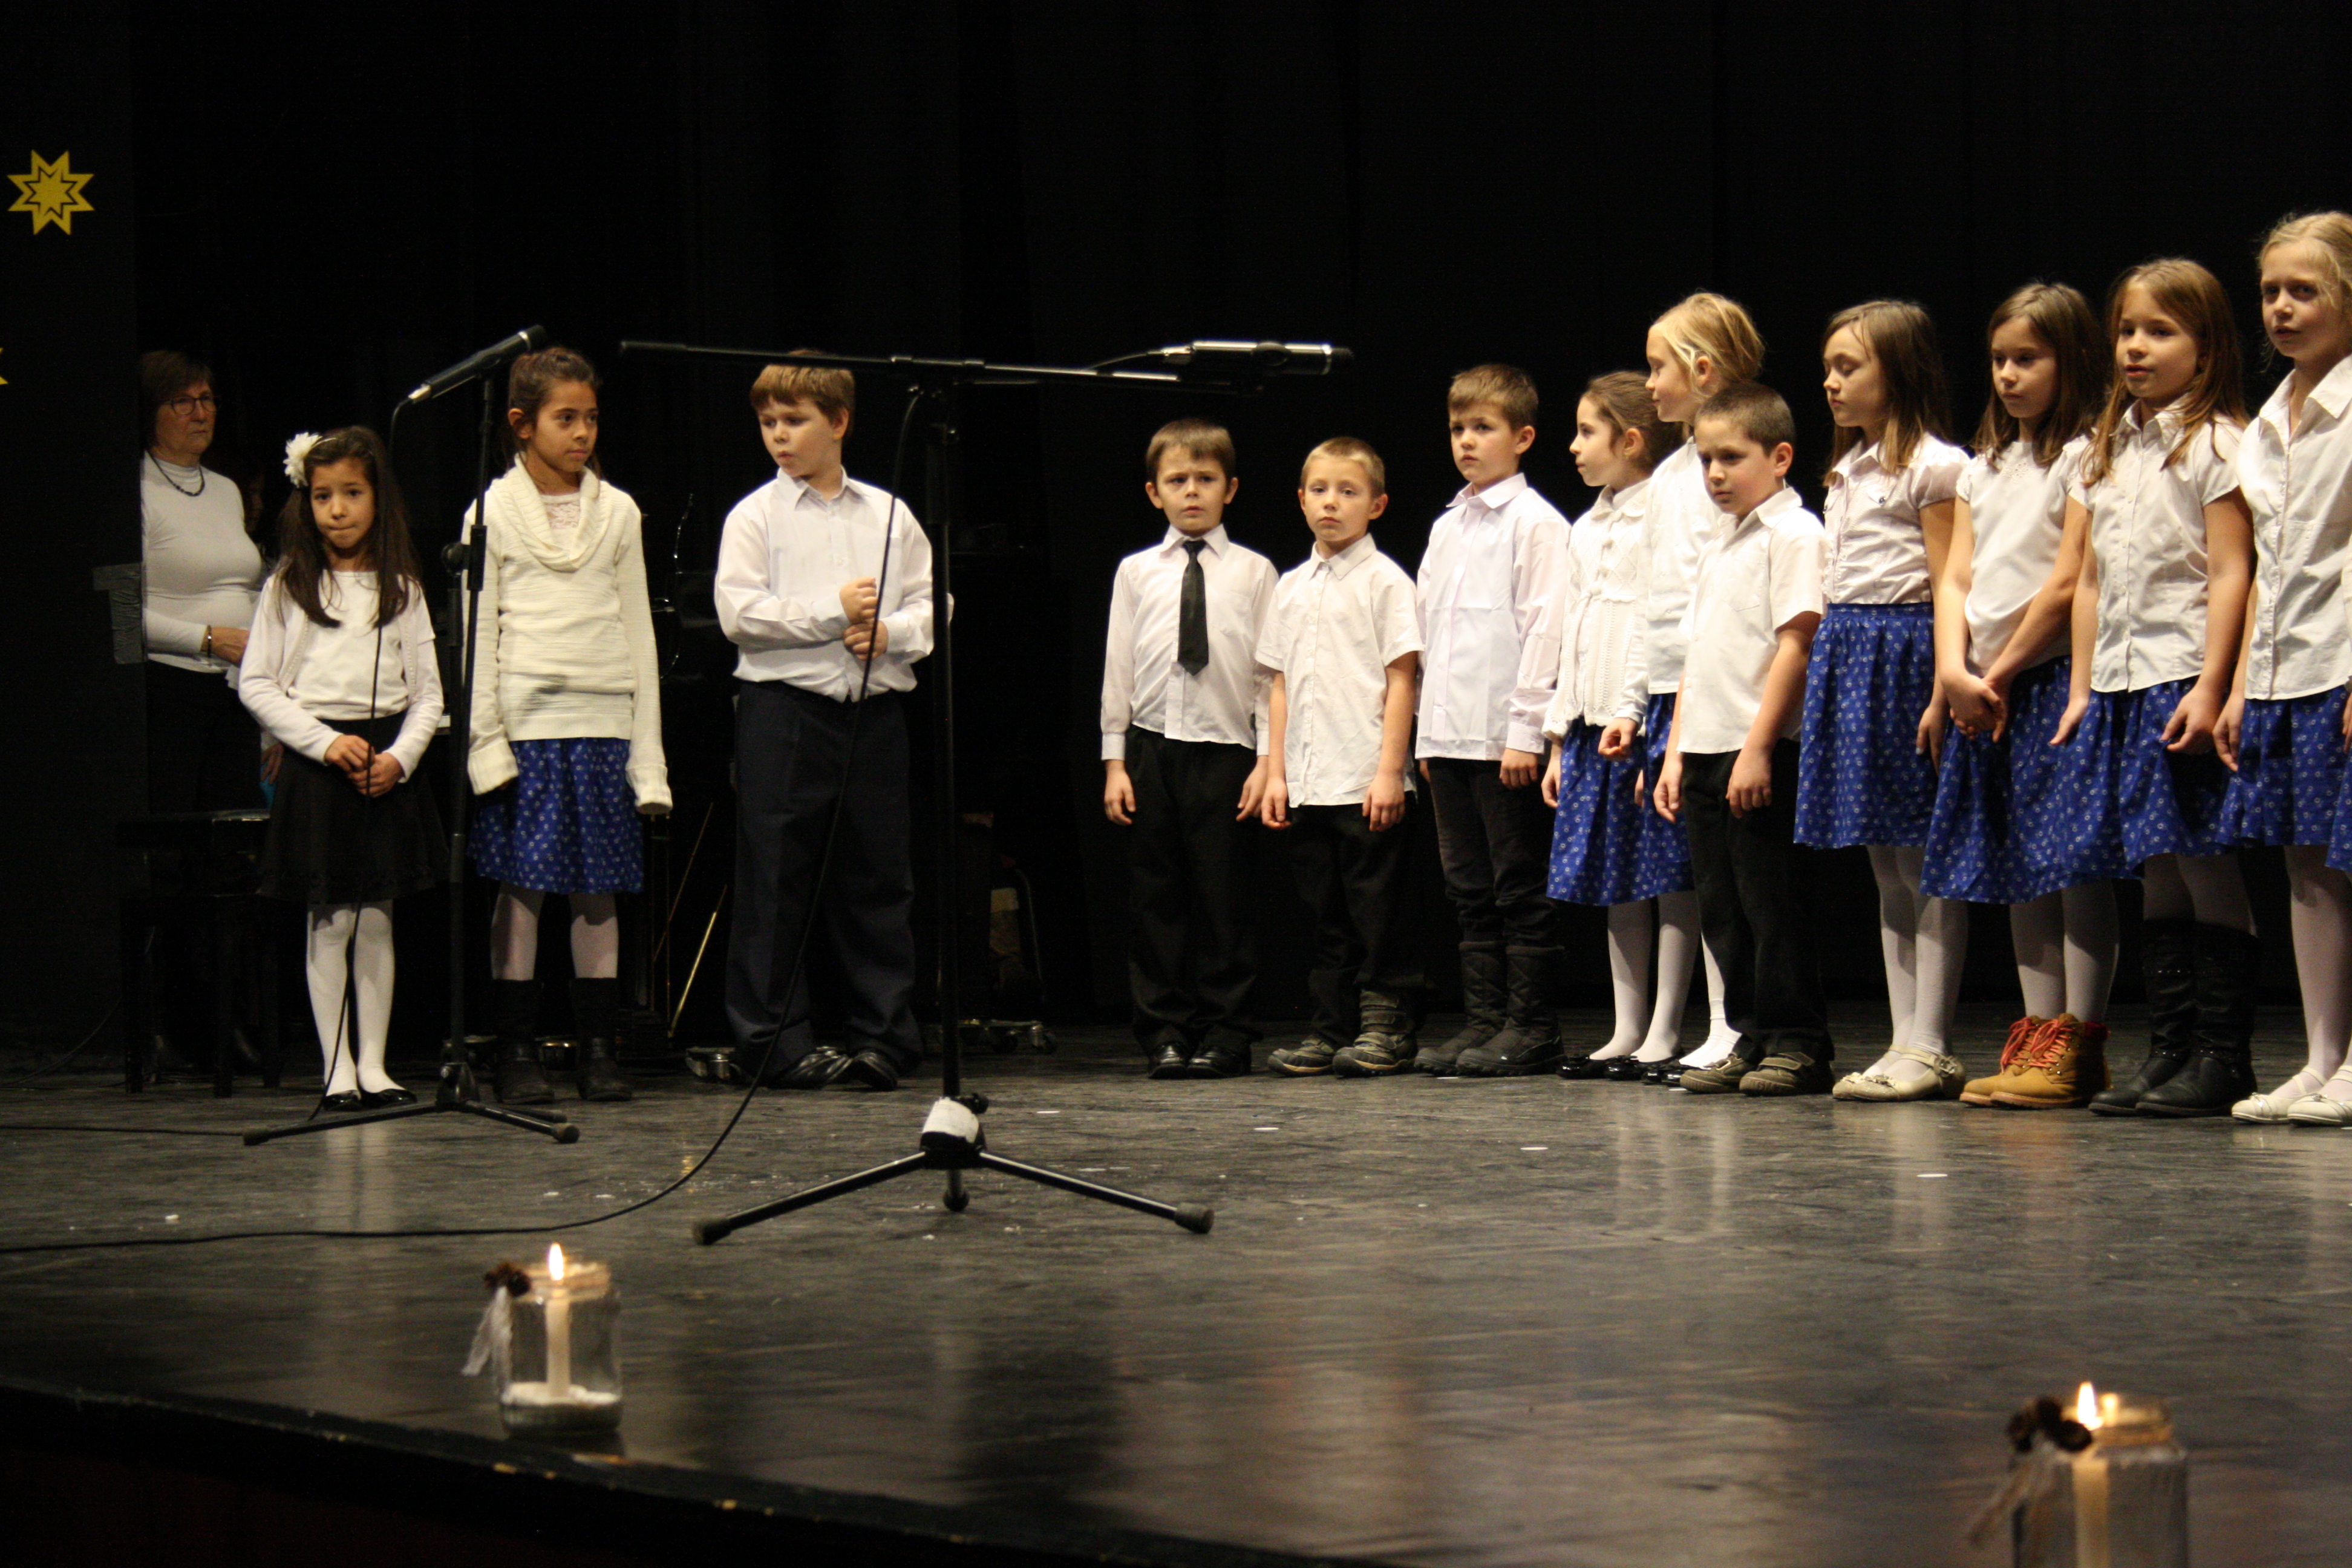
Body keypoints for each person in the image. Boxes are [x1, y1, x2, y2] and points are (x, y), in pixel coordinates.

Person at [2052, 260, 2256, 1119]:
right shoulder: (2106, 450)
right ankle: (2172, 1048)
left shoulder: (2217, 444)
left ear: (2206, 347)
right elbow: (2091, 582)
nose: (2136, 347)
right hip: (2123, 682)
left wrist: (2213, 685)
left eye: (2160, 332)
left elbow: (2233, 571)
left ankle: (2224, 1056)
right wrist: (2081, 687)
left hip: (2181, 673)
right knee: (2157, 866)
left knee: (2204, 859)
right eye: (2128, 330)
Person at [716, 359, 935, 1093]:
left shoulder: (889, 514)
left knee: (879, 880)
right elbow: (738, 614)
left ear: (838, 423)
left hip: (873, 717)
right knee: (775, 882)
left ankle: (884, 1037)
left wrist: (893, 634)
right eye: (768, 423)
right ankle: (773, 1045)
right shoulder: (755, 516)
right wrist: (830, 613)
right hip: (785, 714)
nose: (778, 436)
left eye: (794, 421)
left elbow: (933, 604)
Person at [1929, 283, 2121, 1111]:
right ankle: (2038, 1032)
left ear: (2069, 360)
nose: (2008, 375)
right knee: (2018, 870)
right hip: (1981, 688)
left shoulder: (2085, 458)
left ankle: (2081, 1036)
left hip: (2042, 682)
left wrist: (2000, 671)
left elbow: (2068, 580)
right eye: (1999, 360)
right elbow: (1956, 577)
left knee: (2071, 865)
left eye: (2028, 359)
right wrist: (1953, 671)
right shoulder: (1984, 468)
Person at [466, 347, 670, 1106]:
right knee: (522, 888)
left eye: (590, 418)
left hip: (602, 720)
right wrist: (487, 741)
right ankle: (516, 1048)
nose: (582, 432)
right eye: (565, 418)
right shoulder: (490, 513)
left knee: (598, 888)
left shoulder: (617, 512)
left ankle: (597, 1046)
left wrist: (647, 755)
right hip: (528, 724)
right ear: (522, 424)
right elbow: (480, 632)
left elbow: (638, 633)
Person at [238, 428, 443, 1109]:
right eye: (323, 495)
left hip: (382, 763)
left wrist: (401, 759)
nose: (337, 509)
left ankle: (375, 1064)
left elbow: (428, 695)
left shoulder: (402, 589)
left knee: (377, 916)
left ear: (377, 499)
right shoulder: (289, 586)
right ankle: (337, 1067)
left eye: (352, 493)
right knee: (330, 918)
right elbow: (257, 683)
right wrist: (324, 743)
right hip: (320, 762)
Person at [1802, 302, 1972, 1102]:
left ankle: (1932, 1040)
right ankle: (1904, 1037)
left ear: (1897, 372)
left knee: (1923, 858)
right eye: (1829, 368)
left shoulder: (1934, 467)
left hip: (1906, 657)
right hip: (1852, 657)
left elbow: (1948, 581)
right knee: (1886, 868)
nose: (1832, 382)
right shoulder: (1848, 471)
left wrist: (1942, 684)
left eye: (1849, 367)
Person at [1655, 384, 1832, 1095]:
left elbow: (1797, 643)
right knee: (1724, 911)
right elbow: (1696, 657)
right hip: (1704, 745)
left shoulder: (1795, 535)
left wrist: (1758, 748)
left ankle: (1798, 1042)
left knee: (1772, 905)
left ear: (1780, 457)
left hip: (1757, 746)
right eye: (1706, 459)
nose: (1715, 473)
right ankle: (1750, 1035)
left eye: (1731, 457)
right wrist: (1675, 752)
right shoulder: (1722, 543)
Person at [2216, 214, 2352, 1125]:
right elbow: (2269, 560)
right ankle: (2322, 1057)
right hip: (2284, 668)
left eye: (2305, 290)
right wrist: (2238, 686)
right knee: (2307, 867)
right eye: (2271, 291)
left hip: (2341, 658)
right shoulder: (2268, 421)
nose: (2282, 308)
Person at [1619, 295, 1765, 1085]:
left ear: (1703, 370)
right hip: (1674, 690)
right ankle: (1718, 1023)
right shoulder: (1672, 475)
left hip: (1726, 688)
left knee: (1740, 876)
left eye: (1658, 367)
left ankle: (1739, 1023)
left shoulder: (1728, 468)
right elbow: (1654, 595)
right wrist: (1638, 698)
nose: (1649, 385)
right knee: (1702, 874)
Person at [1101, 419, 1276, 1078]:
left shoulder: (1255, 572)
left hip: (1227, 751)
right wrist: (1114, 761)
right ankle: (1165, 1032)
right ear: (1155, 493)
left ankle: (1227, 1032)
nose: (1192, 491)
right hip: (1151, 750)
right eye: (1178, 480)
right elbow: (1118, 666)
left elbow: (1269, 675)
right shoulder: (1136, 572)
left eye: (1206, 479)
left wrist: (1266, 760)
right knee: (1157, 899)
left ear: (1230, 488)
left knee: (1225, 899)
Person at [1413, 365, 1570, 1077]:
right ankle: (1484, 1023)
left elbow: (1544, 630)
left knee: (1517, 884)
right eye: (1458, 429)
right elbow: (1431, 634)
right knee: (1468, 888)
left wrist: (1526, 732)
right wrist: (1426, 732)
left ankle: (1531, 1026)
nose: (1467, 441)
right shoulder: (1447, 526)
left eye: (1483, 428)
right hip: (1448, 737)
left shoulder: (1537, 524)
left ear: (1523, 437)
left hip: (1502, 738)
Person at [1256, 438, 1424, 1077]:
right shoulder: (1291, 587)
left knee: (1378, 910)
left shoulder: (1386, 582)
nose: (1332, 503)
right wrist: (1276, 772)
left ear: (1376, 505)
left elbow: (1402, 678)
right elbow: (1279, 684)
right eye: (1320, 490)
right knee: (1325, 914)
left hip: (1364, 776)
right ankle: (1331, 1027)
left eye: (1348, 492)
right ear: (1301, 500)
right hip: (1309, 778)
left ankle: (1388, 1027)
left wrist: (1389, 772)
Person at [1538, 374, 1677, 1079]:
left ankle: (1667, 1026)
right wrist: (1559, 738)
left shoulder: (1664, 515)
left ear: (1630, 440)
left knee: (1667, 875)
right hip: (1591, 727)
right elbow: (1574, 634)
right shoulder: (1586, 527)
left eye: (1587, 431)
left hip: (1640, 722)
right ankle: (1627, 1027)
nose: (1574, 445)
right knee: (1618, 881)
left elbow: (1652, 625)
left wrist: (1632, 709)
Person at [140, 350, 269, 812]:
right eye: (182, 402)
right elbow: (119, 615)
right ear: (150, 412)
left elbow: (242, 587)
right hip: (169, 690)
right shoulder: (133, 490)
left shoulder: (225, 489)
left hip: (236, 689)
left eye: (207, 399)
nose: (201, 413)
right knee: (176, 829)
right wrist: (210, 639)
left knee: (236, 826)